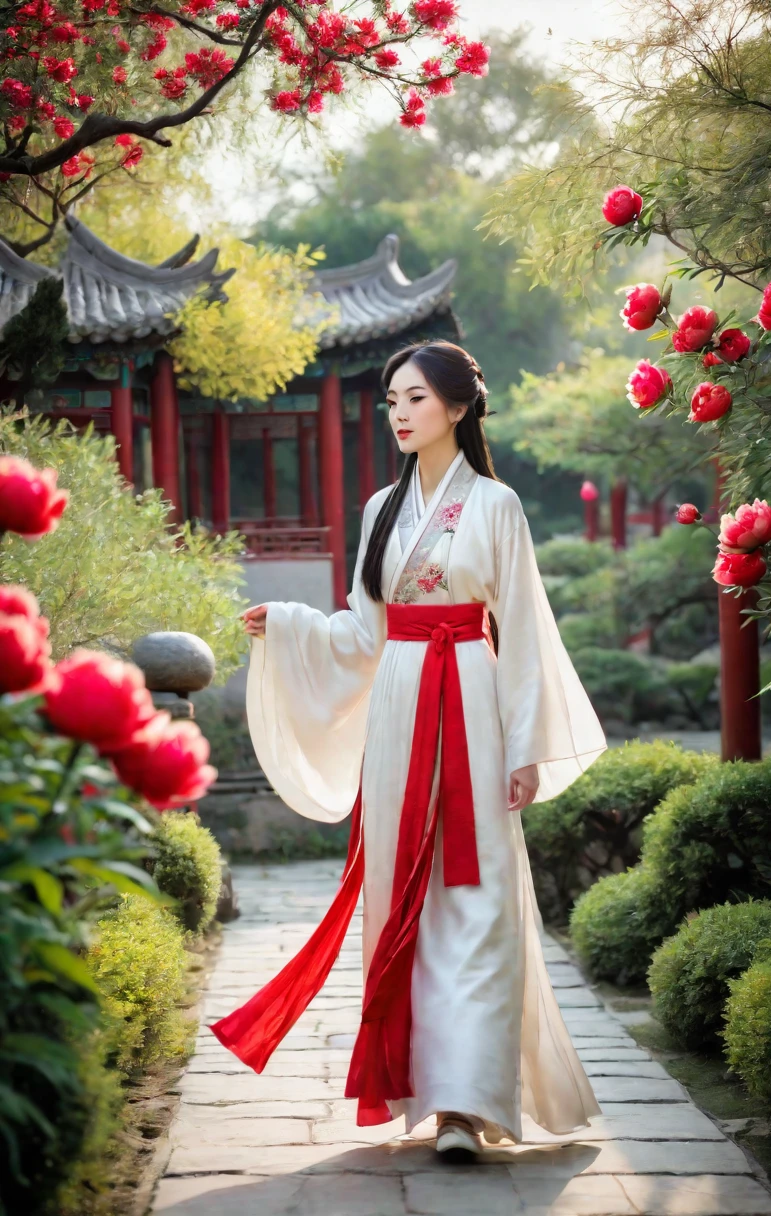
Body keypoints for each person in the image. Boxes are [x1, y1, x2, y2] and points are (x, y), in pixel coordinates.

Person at [210, 339, 608, 1162]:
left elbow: (525, 633)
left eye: (416, 398)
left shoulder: (496, 506)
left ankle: (467, 1105)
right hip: (399, 703)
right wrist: (286, 625)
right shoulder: (378, 514)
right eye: (392, 399)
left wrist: (526, 745)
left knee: (480, 893)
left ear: (459, 408)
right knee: (406, 897)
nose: (399, 412)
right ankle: (426, 1091)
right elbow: (363, 632)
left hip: (471, 697)